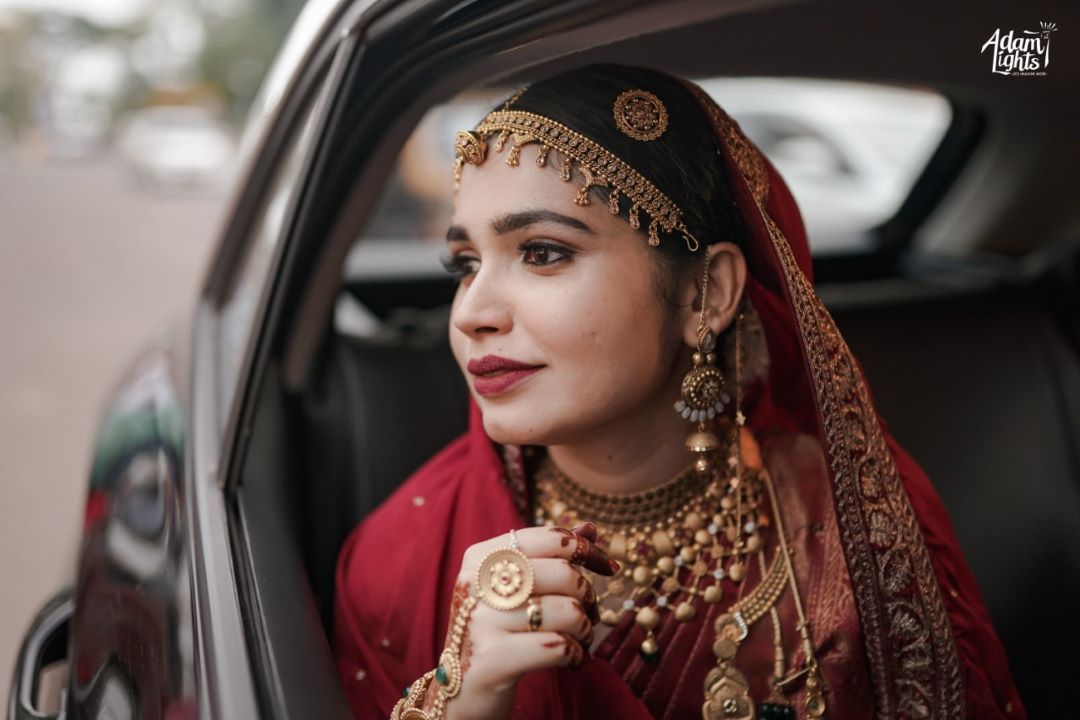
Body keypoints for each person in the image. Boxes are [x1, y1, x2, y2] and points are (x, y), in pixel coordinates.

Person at [332, 64, 1024, 720]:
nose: (471, 313)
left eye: (543, 252)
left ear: (705, 292)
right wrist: (466, 699)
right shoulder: (400, 564)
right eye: (465, 263)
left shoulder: (852, 535)